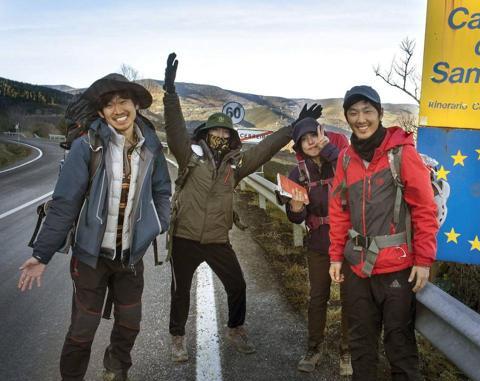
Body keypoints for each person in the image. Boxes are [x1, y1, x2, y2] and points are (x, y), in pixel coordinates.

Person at [162, 53, 323, 361]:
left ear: (231, 137)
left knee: (237, 285)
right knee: (180, 292)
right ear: (206, 134)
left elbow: (263, 150)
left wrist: (293, 128)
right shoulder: (189, 156)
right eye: (215, 131)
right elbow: (173, 128)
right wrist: (170, 93)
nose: (220, 136)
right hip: (184, 238)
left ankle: (236, 329)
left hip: (218, 240)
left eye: (225, 132)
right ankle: (178, 338)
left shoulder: (235, 167)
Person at [17, 73, 172, 381]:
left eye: (123, 102)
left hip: (131, 258)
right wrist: (42, 254)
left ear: (136, 105)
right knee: (82, 331)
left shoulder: (151, 146)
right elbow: (64, 203)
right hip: (90, 258)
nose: (118, 110)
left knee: (130, 324)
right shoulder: (87, 146)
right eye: (109, 105)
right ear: (101, 112)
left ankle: (115, 370)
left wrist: (157, 224)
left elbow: (162, 191)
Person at [328, 85, 439, 381]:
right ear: (347, 118)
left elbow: (425, 209)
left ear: (379, 114)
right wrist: (336, 256)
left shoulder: (401, 154)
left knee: (400, 348)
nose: (360, 119)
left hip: (397, 268)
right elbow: (338, 211)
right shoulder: (346, 159)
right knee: (361, 346)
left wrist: (424, 260)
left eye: (367, 111)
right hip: (356, 268)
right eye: (353, 113)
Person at [284, 117, 352, 375]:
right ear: (299, 145)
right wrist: (295, 208)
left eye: (314, 135)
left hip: (348, 242)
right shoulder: (297, 173)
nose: (310, 142)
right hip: (320, 243)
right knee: (317, 297)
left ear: (324, 134)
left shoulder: (341, 160)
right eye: (304, 139)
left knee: (350, 299)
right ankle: (314, 348)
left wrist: (330, 150)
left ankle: (347, 351)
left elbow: (357, 173)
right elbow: (296, 218)